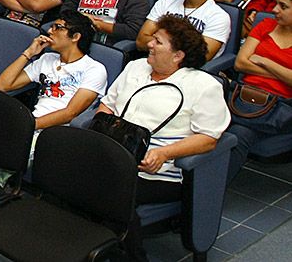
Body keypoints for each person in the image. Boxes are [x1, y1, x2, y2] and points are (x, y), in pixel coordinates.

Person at [97, 15, 229, 261]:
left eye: (158, 41)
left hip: (161, 170)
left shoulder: (203, 85)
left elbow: (209, 138)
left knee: (112, 191)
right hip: (115, 155)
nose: (149, 44)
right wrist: (103, 131)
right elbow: (107, 106)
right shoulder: (136, 67)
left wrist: (164, 153)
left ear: (178, 55)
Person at [0, 10, 108, 129]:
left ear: (75, 37)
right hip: (34, 122)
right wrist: (29, 53)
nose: (49, 31)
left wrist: (28, 126)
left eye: (57, 27)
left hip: (60, 131)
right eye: (51, 26)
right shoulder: (47, 59)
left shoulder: (94, 69)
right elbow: (2, 85)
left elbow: (70, 113)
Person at [226, 0, 292, 181]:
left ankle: (204, 195)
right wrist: (284, 74)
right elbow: (240, 63)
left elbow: (251, 61)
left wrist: (265, 61)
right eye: (276, 4)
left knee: (239, 134)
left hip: (279, 107)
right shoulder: (265, 26)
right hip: (243, 95)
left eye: (283, 6)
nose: (274, 10)